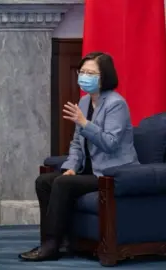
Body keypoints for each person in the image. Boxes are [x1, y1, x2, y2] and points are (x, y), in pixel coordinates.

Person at [19, 52, 139, 261]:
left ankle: (50, 246)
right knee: (45, 181)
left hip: (112, 173)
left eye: (91, 73)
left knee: (63, 185)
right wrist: (71, 167)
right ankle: (57, 241)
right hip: (88, 170)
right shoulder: (84, 102)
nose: (84, 76)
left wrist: (85, 124)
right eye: (82, 72)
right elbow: (76, 143)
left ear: (104, 77)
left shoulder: (116, 104)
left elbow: (110, 144)